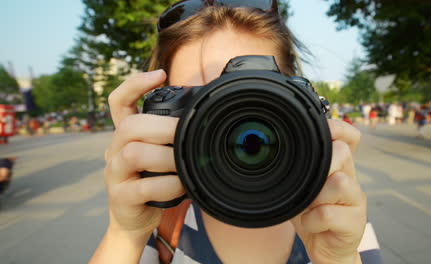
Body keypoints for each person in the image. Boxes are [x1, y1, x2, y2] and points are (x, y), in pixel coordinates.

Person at [91, 2, 379, 264]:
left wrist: (337, 259)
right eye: (201, 100)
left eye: (251, 94)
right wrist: (125, 233)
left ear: (302, 98)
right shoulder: (157, 222)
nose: (228, 119)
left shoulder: (333, 217)